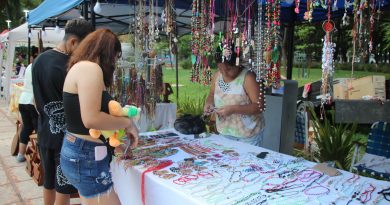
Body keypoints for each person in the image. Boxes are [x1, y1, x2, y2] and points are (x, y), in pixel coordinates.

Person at [61, 28, 139, 204]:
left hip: (80, 151)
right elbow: (91, 119)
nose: (114, 63)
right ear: (106, 52)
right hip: (86, 155)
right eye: (115, 57)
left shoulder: (81, 67)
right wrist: (127, 122)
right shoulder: (90, 69)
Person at [32, 19, 94, 205]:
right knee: (64, 188)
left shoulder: (39, 60)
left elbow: (36, 102)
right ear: (73, 42)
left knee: (49, 182)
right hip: (66, 139)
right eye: (84, 47)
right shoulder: (70, 66)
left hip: (44, 133)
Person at [204, 45, 265, 146]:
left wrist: (233, 109)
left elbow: (259, 106)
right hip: (224, 131)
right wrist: (209, 102)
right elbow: (211, 94)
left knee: (246, 161)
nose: (225, 73)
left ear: (238, 63)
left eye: (228, 69)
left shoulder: (248, 78)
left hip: (248, 135)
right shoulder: (217, 76)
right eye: (221, 69)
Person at [16, 53, 39, 162]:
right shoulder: (39, 65)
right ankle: (40, 157)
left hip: (23, 99)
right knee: (39, 129)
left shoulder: (30, 66)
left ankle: (21, 154)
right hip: (32, 101)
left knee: (27, 127)